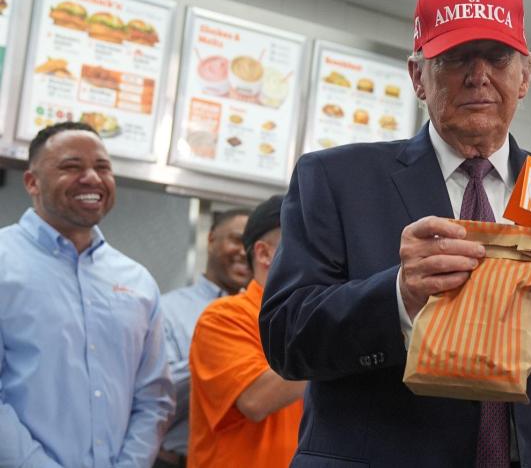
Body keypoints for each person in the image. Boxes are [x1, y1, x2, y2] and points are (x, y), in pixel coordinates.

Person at [260, 0, 531, 467]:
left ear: (526, 75)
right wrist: (399, 294)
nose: (479, 74)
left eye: (498, 57)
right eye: (455, 57)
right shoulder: (338, 180)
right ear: (417, 77)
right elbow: (285, 338)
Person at [0, 121, 174, 466]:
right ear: (32, 182)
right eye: (71, 166)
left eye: (103, 167)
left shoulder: (137, 281)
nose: (92, 178)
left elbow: (154, 397)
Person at [187, 195, 304, 468]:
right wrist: (341, 342)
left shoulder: (306, 321)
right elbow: (255, 399)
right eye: (306, 245)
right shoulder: (223, 318)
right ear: (264, 253)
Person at [156, 208, 251, 467]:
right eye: (236, 240)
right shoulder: (167, 309)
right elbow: (156, 396)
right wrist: (217, 361)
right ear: (210, 240)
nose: (244, 252)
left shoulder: (266, 319)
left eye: (252, 245)